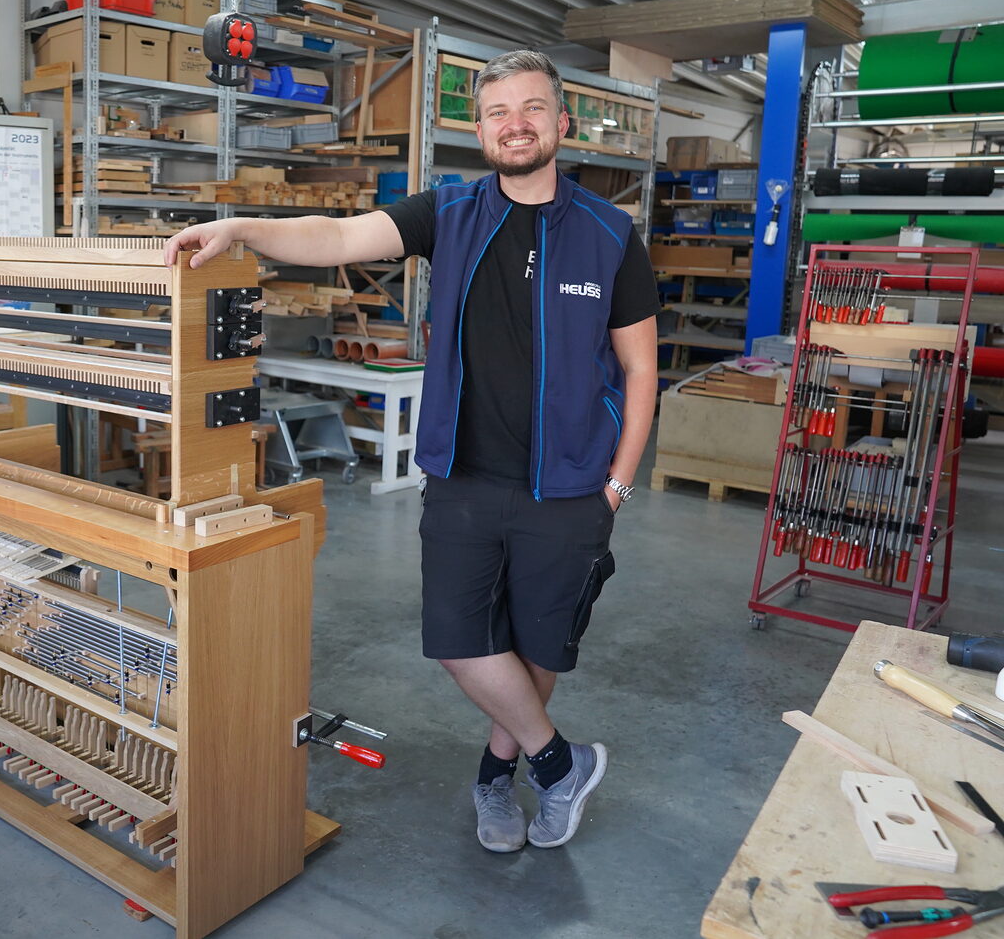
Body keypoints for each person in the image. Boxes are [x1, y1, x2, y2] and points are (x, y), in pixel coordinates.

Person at [165, 49, 658, 852]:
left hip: (570, 485)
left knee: (537, 648)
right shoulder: (450, 214)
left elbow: (641, 369)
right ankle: (561, 763)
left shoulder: (610, 236)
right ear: (480, 128)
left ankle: (497, 783)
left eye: (532, 108)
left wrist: (618, 485)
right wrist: (241, 225)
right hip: (463, 475)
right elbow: (336, 233)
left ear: (561, 123)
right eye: (499, 113)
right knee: (464, 645)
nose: (516, 125)